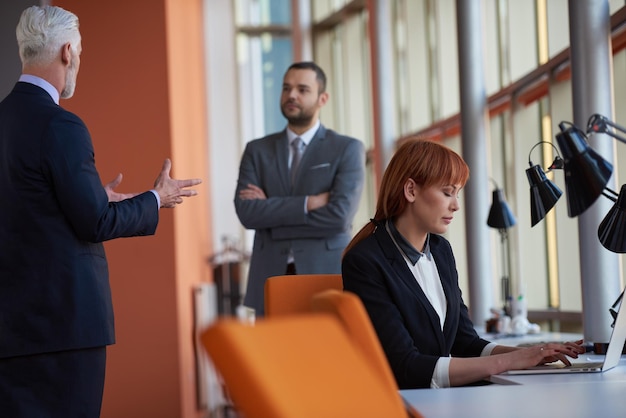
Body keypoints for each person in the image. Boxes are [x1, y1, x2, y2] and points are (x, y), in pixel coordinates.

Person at [0, 5, 202, 416]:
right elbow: (95, 222)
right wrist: (155, 198)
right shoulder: (61, 125)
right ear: (68, 52)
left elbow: (25, 204)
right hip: (62, 330)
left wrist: (94, 195)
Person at [342, 139, 585, 389]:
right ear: (411, 190)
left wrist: (536, 353)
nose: (456, 205)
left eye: (457, 194)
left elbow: (465, 343)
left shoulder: (440, 250)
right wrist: (514, 359)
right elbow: (406, 366)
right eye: (447, 192)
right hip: (406, 401)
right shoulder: (365, 261)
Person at [235, 61, 365, 316]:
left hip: (325, 276)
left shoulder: (346, 149)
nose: (291, 95)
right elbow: (247, 213)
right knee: (272, 356)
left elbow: (339, 217)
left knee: (324, 355)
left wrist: (270, 214)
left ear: (322, 98)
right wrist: (308, 203)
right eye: (286, 88)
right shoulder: (257, 150)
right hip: (270, 276)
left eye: (302, 89)